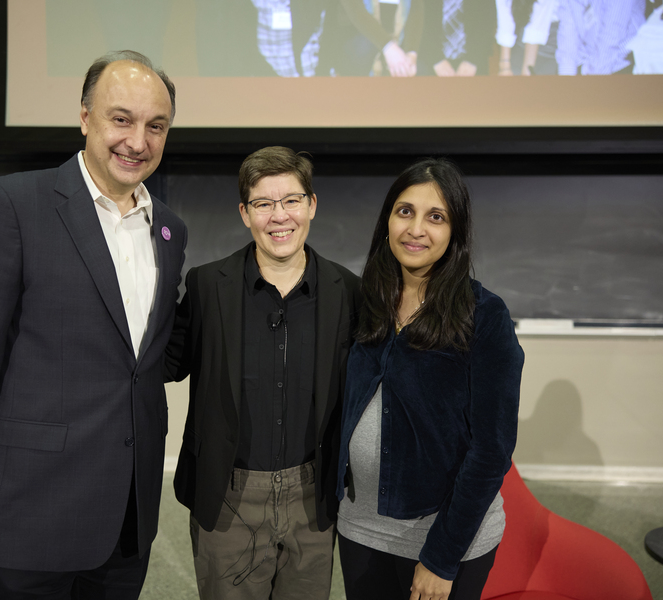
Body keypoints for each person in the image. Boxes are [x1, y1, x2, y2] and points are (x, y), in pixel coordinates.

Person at [0, 50, 187, 599]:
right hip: (29, 513)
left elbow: (140, 364)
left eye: (155, 126)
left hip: (127, 520)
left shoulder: (170, 231)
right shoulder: (14, 205)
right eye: (121, 119)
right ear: (85, 117)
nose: (138, 141)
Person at [166, 146, 361, 599]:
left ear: (312, 205)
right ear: (244, 213)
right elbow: (162, 364)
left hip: (313, 498)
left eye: (291, 200)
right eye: (263, 204)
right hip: (230, 494)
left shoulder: (348, 291)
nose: (280, 216)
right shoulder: (206, 286)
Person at [336, 158, 524, 600]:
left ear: (454, 232)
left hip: (444, 540)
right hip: (360, 529)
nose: (416, 229)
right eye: (405, 211)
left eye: (435, 217)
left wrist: (441, 557)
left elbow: (492, 449)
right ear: (387, 221)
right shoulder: (367, 302)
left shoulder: (485, 315)